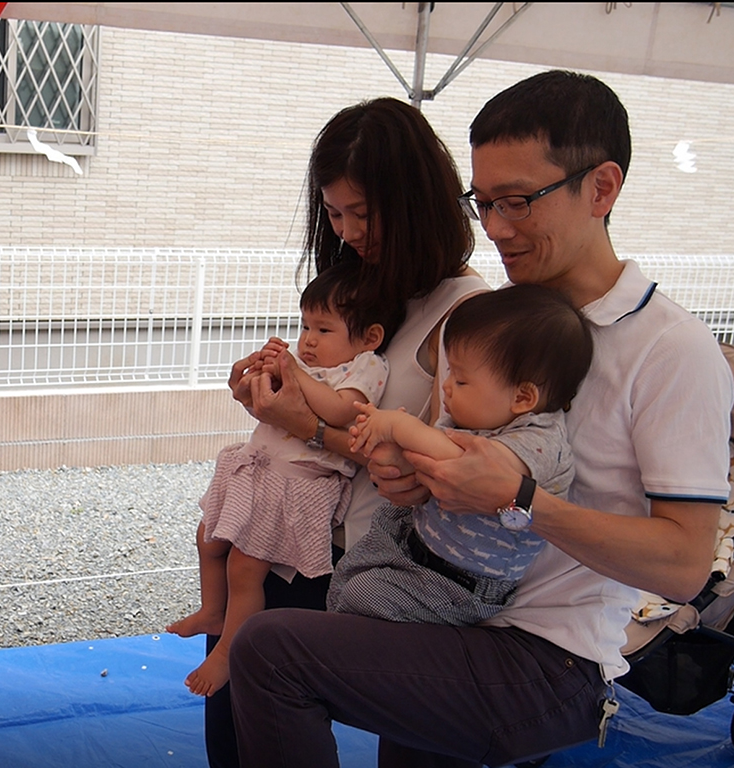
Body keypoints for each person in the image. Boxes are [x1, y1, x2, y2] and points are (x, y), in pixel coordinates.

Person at [227, 70, 734, 768]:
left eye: (520, 202)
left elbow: (682, 568)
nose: (496, 228)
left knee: (268, 650)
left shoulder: (671, 348)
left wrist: (524, 501)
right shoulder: (492, 321)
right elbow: (441, 460)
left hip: (546, 659)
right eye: (484, 202)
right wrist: (407, 472)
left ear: (603, 187)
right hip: (447, 610)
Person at [204, 97, 490, 766]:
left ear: (420, 198)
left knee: (270, 686)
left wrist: (297, 424)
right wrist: (268, 390)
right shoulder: (371, 287)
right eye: (335, 213)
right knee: (234, 691)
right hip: (311, 530)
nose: (351, 230)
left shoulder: (467, 311)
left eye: (364, 212)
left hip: (386, 565)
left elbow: (423, 467)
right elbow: (324, 392)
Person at [167, 262, 392, 696]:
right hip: (260, 471)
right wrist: (255, 377)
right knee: (208, 537)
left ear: (370, 337)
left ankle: (230, 649)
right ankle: (214, 611)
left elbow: (341, 412)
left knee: (246, 567)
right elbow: (276, 408)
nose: (308, 340)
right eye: (305, 326)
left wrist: (297, 374)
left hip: (298, 484)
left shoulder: (364, 368)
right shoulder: (315, 368)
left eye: (323, 330)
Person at [329, 284, 591, 626]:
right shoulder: (472, 418)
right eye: (449, 373)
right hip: (414, 543)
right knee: (344, 584)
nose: (447, 387)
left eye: (462, 380)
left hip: (460, 585)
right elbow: (429, 450)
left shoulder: (540, 440)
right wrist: (393, 453)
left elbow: (465, 465)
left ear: (523, 397)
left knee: (361, 596)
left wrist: (398, 426)